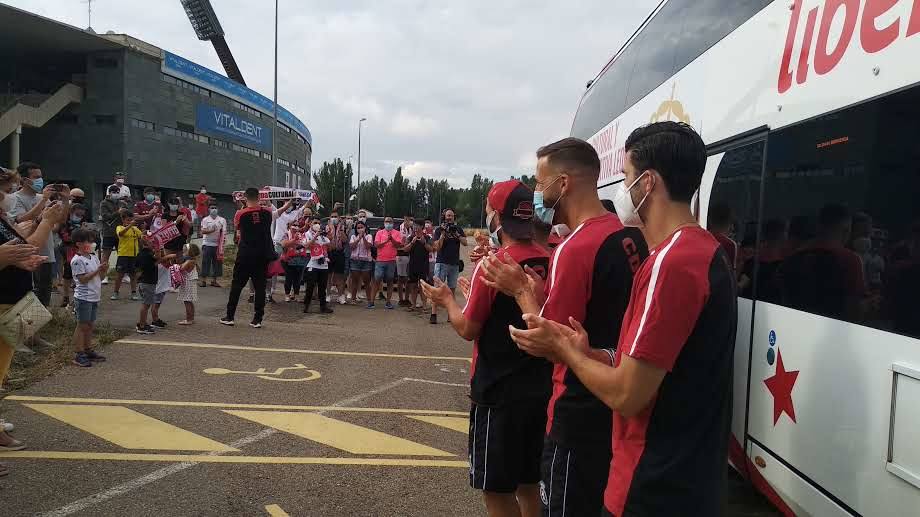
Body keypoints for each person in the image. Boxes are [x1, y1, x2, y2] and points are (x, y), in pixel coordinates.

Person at [509, 122, 737, 517]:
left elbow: (628, 395)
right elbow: (661, 365)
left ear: (647, 183)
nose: (622, 192)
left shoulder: (673, 264)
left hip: (654, 483)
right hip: (688, 478)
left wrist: (564, 348)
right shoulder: (703, 252)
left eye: (627, 178)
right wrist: (593, 354)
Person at [478, 137, 648, 516]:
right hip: (615, 400)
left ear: (564, 184)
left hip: (577, 408)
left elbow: (550, 340)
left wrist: (520, 290)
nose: (537, 193)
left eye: (540, 184)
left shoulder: (576, 248)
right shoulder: (630, 235)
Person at [421, 180, 551, 517]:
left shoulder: (494, 264)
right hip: (542, 388)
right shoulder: (552, 256)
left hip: (498, 393)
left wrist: (448, 300)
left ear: (496, 217)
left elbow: (468, 328)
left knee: (496, 490)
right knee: (529, 484)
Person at [0, 167, 58, 462]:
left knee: (2, 372)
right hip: (4, 303)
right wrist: (46, 220)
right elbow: (26, 246)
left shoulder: (3, 217)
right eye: (5, 190)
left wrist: (19, 261)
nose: (7, 196)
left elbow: (18, 249)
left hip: (14, 300)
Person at [9, 162, 64, 309]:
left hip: (47, 252)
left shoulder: (42, 197)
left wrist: (65, 199)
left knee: (45, 291)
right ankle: (28, 327)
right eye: (36, 177)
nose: (40, 180)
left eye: (41, 176)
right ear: (25, 180)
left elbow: (59, 222)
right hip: (28, 253)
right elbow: (21, 221)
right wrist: (44, 201)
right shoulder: (15, 198)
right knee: (29, 293)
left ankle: (41, 325)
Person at [222, 187, 273, 328]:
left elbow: (238, 229)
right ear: (258, 197)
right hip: (262, 254)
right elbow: (269, 212)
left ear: (245, 197)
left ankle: (230, 316)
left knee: (237, 285)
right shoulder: (267, 213)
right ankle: (257, 319)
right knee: (260, 287)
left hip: (245, 254)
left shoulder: (240, 214)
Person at [69, 229, 107, 367]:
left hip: (94, 296)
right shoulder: (77, 260)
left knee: (90, 324)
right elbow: (83, 280)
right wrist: (97, 270)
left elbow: (100, 278)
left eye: (91, 241)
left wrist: (103, 270)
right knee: (82, 325)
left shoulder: (93, 257)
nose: (91, 244)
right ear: (78, 244)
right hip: (83, 297)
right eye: (88, 241)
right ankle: (78, 353)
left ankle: (87, 349)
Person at [430, 209, 468, 324]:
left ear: (454, 217)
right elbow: (437, 247)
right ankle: (433, 314)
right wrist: (442, 234)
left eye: (451, 215)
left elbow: (465, 242)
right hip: (442, 263)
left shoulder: (458, 229)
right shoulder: (439, 230)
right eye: (447, 216)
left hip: (454, 264)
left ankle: (450, 315)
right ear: (444, 217)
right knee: (438, 289)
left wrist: (456, 234)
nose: (449, 217)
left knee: (451, 289)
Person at [134, 238, 172, 334]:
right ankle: (142, 326)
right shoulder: (146, 255)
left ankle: (143, 323)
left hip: (145, 281)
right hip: (148, 282)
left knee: (146, 304)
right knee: (146, 304)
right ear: (146, 244)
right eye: (151, 243)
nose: (153, 244)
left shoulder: (141, 254)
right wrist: (158, 257)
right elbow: (153, 263)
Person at [58, 203, 87, 308]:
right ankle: (66, 297)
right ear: (71, 212)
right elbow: (65, 237)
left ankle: (77, 298)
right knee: (67, 275)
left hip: (81, 250)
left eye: (81, 216)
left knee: (80, 274)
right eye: (77, 214)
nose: (79, 217)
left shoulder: (83, 223)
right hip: (68, 250)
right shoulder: (64, 223)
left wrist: (85, 231)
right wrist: (79, 234)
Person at [303, 217, 334, 314]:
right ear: (310, 224)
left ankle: (323, 306)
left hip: (323, 264)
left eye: (319, 223)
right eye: (315, 222)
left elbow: (331, 247)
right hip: (312, 263)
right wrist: (315, 236)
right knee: (310, 287)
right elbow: (306, 246)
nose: (317, 224)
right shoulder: (307, 234)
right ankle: (306, 305)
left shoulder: (323, 236)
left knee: (322, 287)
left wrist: (328, 235)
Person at [401, 220, 432, 311]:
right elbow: (405, 249)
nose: (415, 228)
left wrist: (424, 243)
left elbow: (431, 249)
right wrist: (412, 243)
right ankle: (413, 304)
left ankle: (424, 305)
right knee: (413, 286)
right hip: (413, 265)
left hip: (424, 265)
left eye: (417, 226)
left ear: (422, 227)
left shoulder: (427, 237)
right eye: (414, 226)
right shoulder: (410, 237)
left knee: (423, 286)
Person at [111, 211, 142, 301]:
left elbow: (141, 236)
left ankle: (133, 292)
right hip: (123, 254)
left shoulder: (135, 229)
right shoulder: (119, 227)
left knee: (133, 275)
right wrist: (129, 226)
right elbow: (121, 234)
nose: (130, 222)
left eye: (131, 220)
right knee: (120, 274)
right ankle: (116, 292)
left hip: (133, 255)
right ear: (123, 220)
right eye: (128, 220)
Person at [372, 216, 402, 309]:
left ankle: (388, 302)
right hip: (380, 260)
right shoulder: (379, 233)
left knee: (390, 281)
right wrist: (386, 241)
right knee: (377, 279)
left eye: (390, 222)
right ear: (384, 223)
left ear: (393, 223)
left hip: (391, 261)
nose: (388, 223)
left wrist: (392, 239)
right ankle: (371, 301)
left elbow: (398, 245)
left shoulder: (397, 233)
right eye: (386, 222)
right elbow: (377, 245)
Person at [98, 185, 125, 284]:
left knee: (123, 255)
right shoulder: (104, 203)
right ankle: (103, 276)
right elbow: (105, 217)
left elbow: (126, 216)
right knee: (106, 256)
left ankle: (123, 275)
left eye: (118, 192)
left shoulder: (121, 203)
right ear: (109, 193)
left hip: (121, 233)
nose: (116, 194)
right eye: (114, 192)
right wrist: (117, 212)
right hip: (108, 233)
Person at [199, 202, 227, 287]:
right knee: (205, 262)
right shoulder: (205, 219)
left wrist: (222, 243)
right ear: (209, 209)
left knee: (217, 263)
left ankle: (214, 280)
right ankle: (203, 281)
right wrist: (211, 230)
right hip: (207, 244)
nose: (214, 210)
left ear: (218, 209)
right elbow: (202, 231)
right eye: (212, 208)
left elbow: (224, 232)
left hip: (218, 245)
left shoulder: (222, 220)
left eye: (215, 208)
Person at [348, 220, 374, 305]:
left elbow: (368, 246)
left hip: (366, 261)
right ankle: (353, 299)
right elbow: (352, 247)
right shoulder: (353, 236)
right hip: (355, 260)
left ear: (365, 228)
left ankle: (369, 300)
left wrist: (363, 237)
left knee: (367, 281)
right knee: (355, 281)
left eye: (362, 227)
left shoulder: (369, 236)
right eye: (358, 228)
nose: (360, 229)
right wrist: (358, 238)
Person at [281, 221, 308, 302]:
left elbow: (304, 245)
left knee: (298, 279)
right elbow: (284, 244)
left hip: (299, 259)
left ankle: (296, 295)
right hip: (288, 260)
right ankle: (287, 294)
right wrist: (294, 240)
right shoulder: (286, 234)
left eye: (297, 225)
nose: (296, 226)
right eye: (294, 225)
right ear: (289, 226)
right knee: (289, 278)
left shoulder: (301, 235)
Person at [326, 209, 348, 305]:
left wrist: (341, 230)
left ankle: (340, 296)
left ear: (339, 218)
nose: (334, 218)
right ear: (330, 218)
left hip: (339, 253)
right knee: (328, 276)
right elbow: (326, 240)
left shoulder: (343, 227)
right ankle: (327, 295)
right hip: (330, 253)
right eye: (332, 217)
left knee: (340, 276)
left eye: (336, 217)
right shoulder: (326, 227)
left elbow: (344, 240)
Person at [708, 202, 738, 270]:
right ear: (729, 223)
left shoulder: (700, 238)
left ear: (710, 220)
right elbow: (731, 276)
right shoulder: (729, 244)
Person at [177, 243, 201, 325]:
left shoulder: (189, 261)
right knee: (190, 301)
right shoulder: (193, 261)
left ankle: (188, 319)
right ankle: (191, 318)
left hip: (188, 283)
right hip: (190, 282)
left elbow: (181, 268)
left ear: (189, 252)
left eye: (184, 252)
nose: (183, 253)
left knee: (187, 301)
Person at [396, 213, 414, 306]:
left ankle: (407, 299)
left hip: (410, 255)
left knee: (408, 278)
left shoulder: (412, 229)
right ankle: (400, 299)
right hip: (400, 254)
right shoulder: (399, 228)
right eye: (407, 219)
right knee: (400, 277)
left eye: (411, 220)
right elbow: (398, 243)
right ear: (404, 219)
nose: (409, 221)